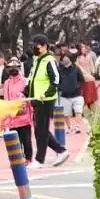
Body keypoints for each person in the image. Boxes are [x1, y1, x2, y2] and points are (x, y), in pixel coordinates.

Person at [26, 35, 70, 166]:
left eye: (36, 46)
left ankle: (40, 159)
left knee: (41, 131)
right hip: (36, 100)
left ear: (44, 46)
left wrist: (46, 94)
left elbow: (56, 80)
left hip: (45, 100)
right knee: (40, 130)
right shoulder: (37, 60)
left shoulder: (49, 60)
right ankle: (61, 150)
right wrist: (26, 91)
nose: (34, 48)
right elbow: (33, 79)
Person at [56, 50, 85, 147]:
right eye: (63, 57)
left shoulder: (76, 68)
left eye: (66, 57)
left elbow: (82, 80)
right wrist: (61, 87)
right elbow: (57, 80)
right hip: (64, 95)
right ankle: (69, 127)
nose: (64, 59)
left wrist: (78, 86)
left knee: (78, 111)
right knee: (65, 113)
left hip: (76, 94)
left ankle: (77, 126)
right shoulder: (60, 69)